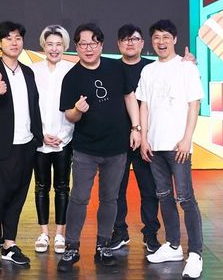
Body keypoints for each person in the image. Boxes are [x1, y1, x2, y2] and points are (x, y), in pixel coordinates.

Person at [56, 23, 141, 273]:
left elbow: (129, 97)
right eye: (83, 44)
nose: (88, 48)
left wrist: (136, 128)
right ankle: (71, 248)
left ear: (101, 45)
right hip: (86, 150)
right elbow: (69, 115)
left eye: (93, 43)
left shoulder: (116, 68)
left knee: (109, 198)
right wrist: (77, 110)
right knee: (79, 198)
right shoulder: (72, 77)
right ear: (76, 47)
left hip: (117, 148)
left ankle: (103, 246)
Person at [137, 20, 204, 279]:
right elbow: (144, 105)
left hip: (178, 145)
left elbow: (194, 104)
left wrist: (187, 138)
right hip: (155, 145)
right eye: (156, 37)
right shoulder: (148, 70)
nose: (161, 42)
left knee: (185, 198)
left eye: (166, 36)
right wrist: (144, 138)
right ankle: (174, 245)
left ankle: (195, 253)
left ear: (174, 39)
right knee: (163, 196)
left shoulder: (186, 68)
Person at [0, 21, 43, 271]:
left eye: (18, 38)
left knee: (17, 198)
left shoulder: (28, 72)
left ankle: (9, 245)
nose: (14, 43)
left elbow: (34, 106)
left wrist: (38, 136)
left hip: (25, 146)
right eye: (9, 38)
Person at [111, 24, 161, 253]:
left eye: (134, 39)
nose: (130, 43)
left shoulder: (153, 69)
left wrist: (188, 63)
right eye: (125, 39)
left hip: (147, 139)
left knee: (149, 189)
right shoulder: (111, 68)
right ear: (118, 44)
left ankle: (150, 234)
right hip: (117, 140)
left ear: (142, 43)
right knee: (116, 190)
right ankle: (119, 232)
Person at [31, 25, 75, 254]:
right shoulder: (33, 70)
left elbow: (75, 106)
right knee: (40, 186)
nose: (54, 48)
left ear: (65, 46)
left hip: (63, 140)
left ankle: (59, 234)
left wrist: (62, 135)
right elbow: (30, 106)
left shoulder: (72, 70)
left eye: (59, 44)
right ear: (43, 46)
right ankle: (43, 233)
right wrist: (41, 135)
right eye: (50, 44)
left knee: (62, 187)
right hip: (39, 140)